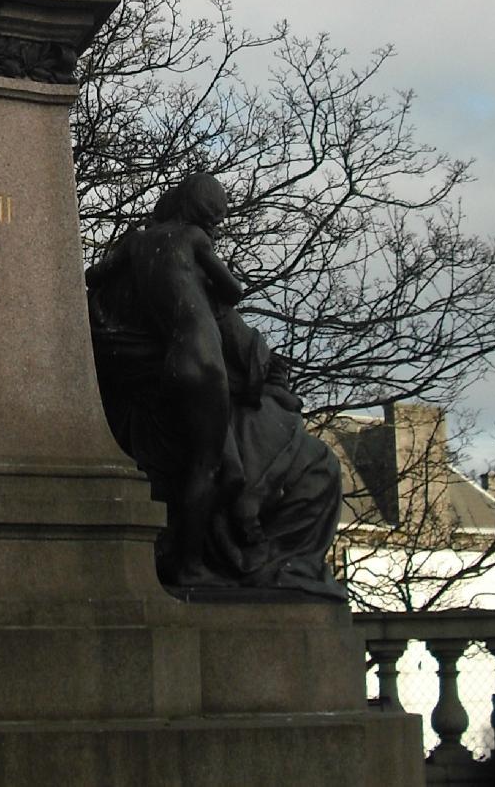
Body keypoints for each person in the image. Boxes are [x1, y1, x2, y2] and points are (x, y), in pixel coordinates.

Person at [86, 174, 345, 597]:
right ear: (204, 215)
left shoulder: (135, 244)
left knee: (223, 463)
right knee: (214, 468)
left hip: (170, 364)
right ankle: (191, 562)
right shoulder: (193, 240)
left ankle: (231, 518)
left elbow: (92, 275)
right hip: (203, 362)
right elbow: (233, 295)